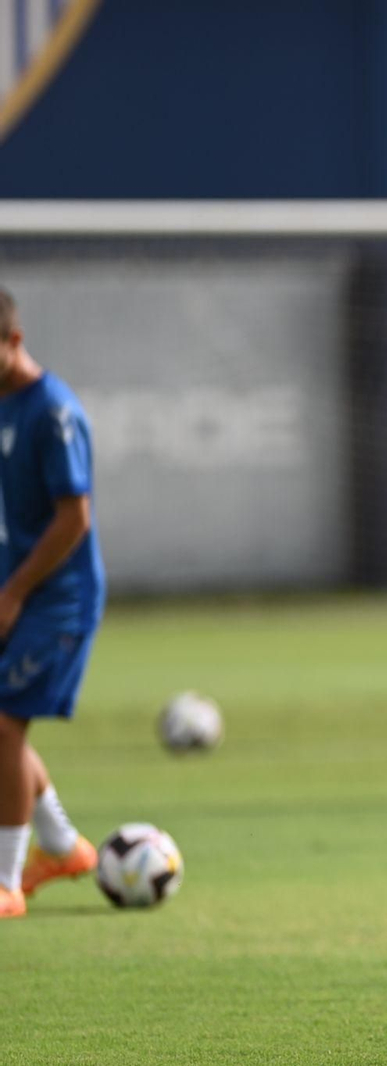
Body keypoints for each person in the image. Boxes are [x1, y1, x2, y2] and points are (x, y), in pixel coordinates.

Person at [0, 288, 104, 918]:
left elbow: (74, 519)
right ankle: (62, 846)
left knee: (4, 725)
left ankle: (6, 882)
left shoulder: (53, 411)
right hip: (15, 588)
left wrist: (14, 593)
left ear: (14, 341)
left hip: (58, 599)